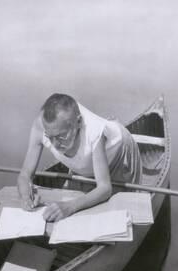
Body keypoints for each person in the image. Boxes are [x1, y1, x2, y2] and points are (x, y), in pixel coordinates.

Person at [17, 93, 142, 222]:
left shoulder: (93, 131)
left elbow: (105, 188)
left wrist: (69, 207)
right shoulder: (41, 126)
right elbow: (25, 174)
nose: (54, 145)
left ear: (78, 122)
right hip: (86, 159)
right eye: (50, 137)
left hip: (118, 155)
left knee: (118, 211)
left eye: (61, 136)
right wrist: (26, 196)